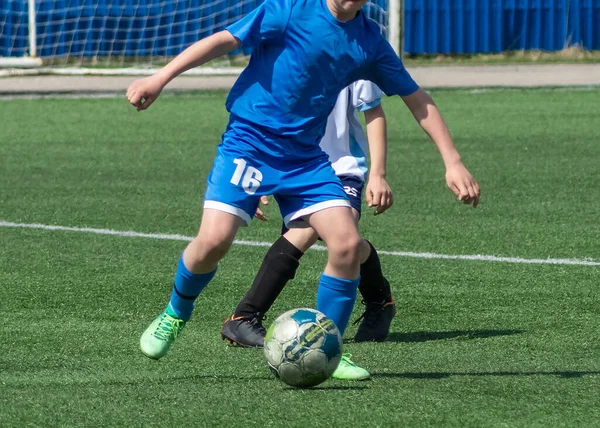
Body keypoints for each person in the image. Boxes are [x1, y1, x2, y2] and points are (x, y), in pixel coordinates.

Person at [126, 0, 480, 381]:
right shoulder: (290, 8)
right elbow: (223, 41)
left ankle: (329, 344)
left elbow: (416, 98)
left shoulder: (369, 41)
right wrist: (160, 77)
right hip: (249, 144)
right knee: (214, 241)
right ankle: (176, 312)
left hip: (305, 158)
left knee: (346, 244)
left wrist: (452, 160)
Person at [221, 80, 397, 354]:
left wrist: (378, 174)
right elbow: (261, 117)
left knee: (333, 236)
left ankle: (244, 316)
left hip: (341, 166)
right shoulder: (285, 48)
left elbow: (373, 111)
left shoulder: (359, 45)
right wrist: (256, 174)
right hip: (294, 167)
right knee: (321, 236)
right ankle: (380, 300)